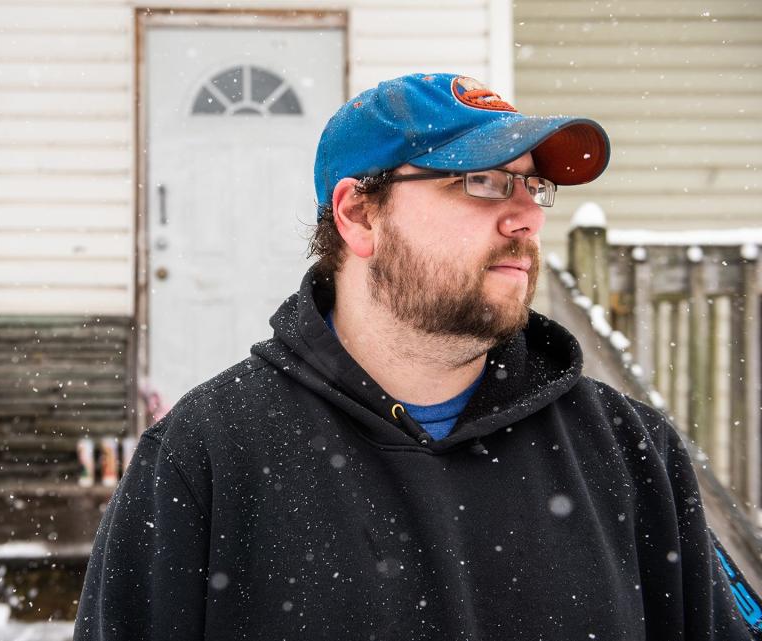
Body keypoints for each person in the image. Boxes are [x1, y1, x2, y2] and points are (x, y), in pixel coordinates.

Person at [74, 72, 762, 639]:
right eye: (484, 181)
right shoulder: (208, 457)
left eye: (533, 186)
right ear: (359, 216)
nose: (526, 215)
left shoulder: (626, 450)